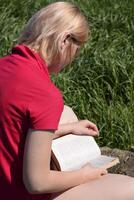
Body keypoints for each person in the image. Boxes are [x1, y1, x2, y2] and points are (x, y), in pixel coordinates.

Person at [0, 2, 134, 200]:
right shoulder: (44, 93)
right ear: (64, 41)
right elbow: (36, 183)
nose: (73, 59)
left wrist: (67, 128)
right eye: (77, 50)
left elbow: (13, 128)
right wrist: (85, 175)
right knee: (130, 187)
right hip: (17, 193)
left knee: (66, 112)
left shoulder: (4, 66)